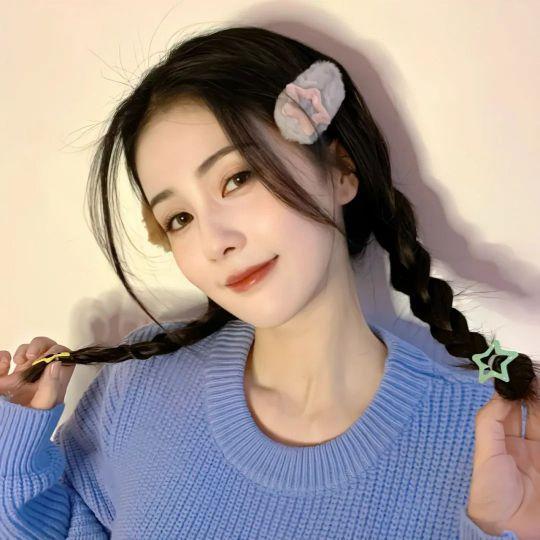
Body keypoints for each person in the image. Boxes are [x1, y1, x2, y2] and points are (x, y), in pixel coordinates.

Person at [1, 25, 538, 539]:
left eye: (237, 178)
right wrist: (12, 449)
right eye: (179, 218)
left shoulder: (500, 438)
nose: (214, 242)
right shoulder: (142, 385)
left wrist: (506, 530)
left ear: (341, 169)